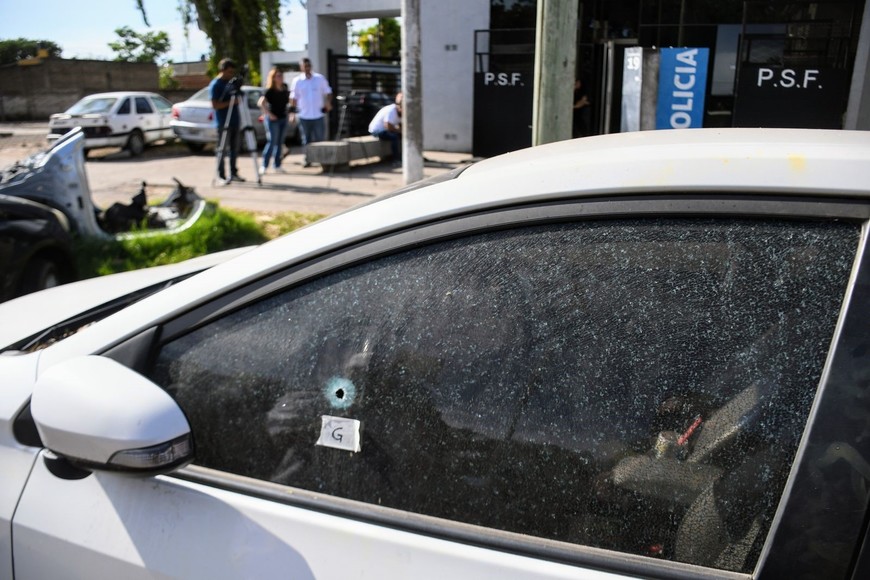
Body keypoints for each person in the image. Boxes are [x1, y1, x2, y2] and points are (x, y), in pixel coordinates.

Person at [289, 58, 333, 167]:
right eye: (304, 66)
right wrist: (292, 114)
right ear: (301, 67)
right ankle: (307, 159)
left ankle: (322, 160)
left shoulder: (319, 78)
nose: (306, 68)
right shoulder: (297, 81)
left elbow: (328, 92)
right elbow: (293, 98)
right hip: (304, 115)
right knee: (306, 139)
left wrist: (328, 103)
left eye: (308, 65)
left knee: (320, 139)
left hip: (318, 114)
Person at [209, 57, 245, 183]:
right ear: (222, 70)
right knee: (222, 149)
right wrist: (231, 103)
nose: (231, 75)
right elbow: (215, 105)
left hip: (235, 120)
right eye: (229, 72)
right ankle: (221, 175)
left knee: (234, 149)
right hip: (223, 122)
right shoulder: (216, 85)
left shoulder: (231, 83)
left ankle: (233, 173)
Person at [258, 67, 290, 175]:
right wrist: (269, 114)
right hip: (273, 120)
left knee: (280, 143)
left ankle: (277, 165)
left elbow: (288, 101)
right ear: (273, 78)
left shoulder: (285, 87)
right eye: (278, 76)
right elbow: (260, 103)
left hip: (283, 118)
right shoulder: (269, 90)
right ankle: (264, 165)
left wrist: (291, 112)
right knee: (272, 141)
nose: (280, 77)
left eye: (281, 75)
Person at [368, 92, 402, 163]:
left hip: (385, 130)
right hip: (376, 130)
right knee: (394, 137)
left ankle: (404, 155)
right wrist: (399, 131)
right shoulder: (391, 110)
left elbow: (400, 125)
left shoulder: (400, 112)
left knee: (402, 136)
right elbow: (388, 126)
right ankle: (396, 159)